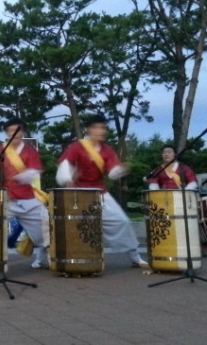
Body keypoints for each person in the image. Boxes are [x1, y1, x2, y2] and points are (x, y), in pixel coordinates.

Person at [55, 114, 149, 269]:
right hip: (78, 193)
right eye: (97, 128)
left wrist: (120, 170)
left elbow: (112, 173)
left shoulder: (107, 150)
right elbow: (65, 165)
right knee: (71, 227)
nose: (101, 131)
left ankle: (135, 257)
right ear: (89, 130)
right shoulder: (77, 147)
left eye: (103, 128)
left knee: (122, 221)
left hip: (99, 192)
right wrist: (67, 179)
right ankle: (65, 259)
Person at [0, 117, 50, 269]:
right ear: (7, 133)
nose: (15, 134)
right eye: (11, 131)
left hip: (27, 198)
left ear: (23, 132)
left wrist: (23, 176)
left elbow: (34, 171)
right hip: (4, 198)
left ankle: (45, 257)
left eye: (18, 130)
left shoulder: (30, 151)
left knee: (45, 228)